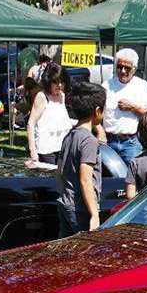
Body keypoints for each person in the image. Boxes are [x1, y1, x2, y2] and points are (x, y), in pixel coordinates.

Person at [55, 81, 105, 234]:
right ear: (97, 111)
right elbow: (85, 179)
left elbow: (59, 172)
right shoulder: (89, 140)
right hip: (80, 210)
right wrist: (95, 214)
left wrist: (67, 193)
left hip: (65, 203)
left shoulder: (69, 136)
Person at [102, 47, 147, 163]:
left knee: (132, 177)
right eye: (119, 66)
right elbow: (96, 113)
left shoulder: (142, 86)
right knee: (108, 179)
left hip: (131, 143)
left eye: (126, 68)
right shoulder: (106, 86)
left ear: (134, 69)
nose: (122, 71)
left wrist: (132, 107)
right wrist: (100, 132)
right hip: (108, 142)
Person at [27, 62, 72, 165]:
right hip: (46, 151)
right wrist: (33, 151)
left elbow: (62, 120)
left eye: (62, 82)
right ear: (49, 82)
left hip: (62, 148)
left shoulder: (62, 96)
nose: (59, 85)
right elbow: (31, 124)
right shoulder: (42, 96)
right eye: (56, 82)